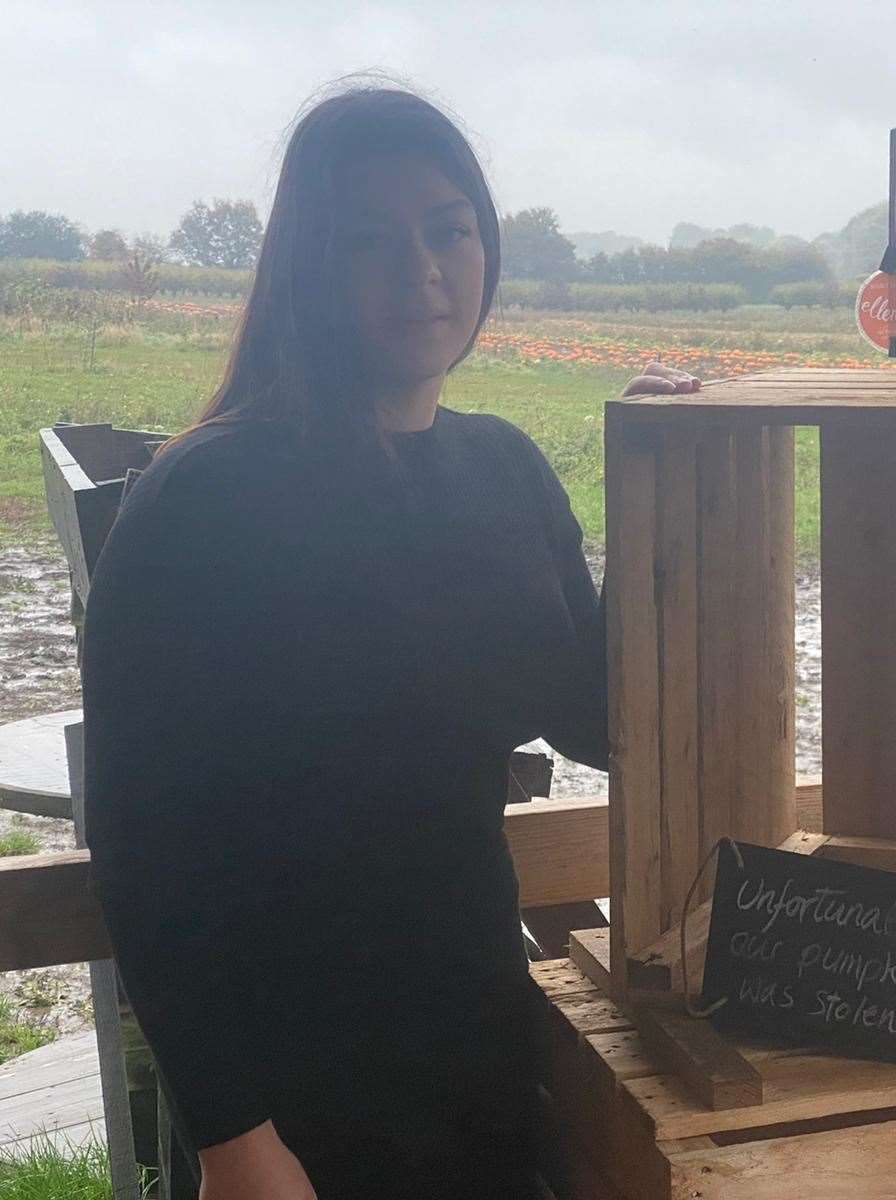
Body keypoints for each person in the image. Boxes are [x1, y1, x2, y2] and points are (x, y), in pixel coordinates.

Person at [80, 83, 697, 1199]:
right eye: (369, 240)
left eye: (447, 228)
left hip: (475, 1047)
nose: (420, 268)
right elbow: (145, 847)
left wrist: (662, 485)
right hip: (293, 1095)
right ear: (308, 268)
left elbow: (599, 719)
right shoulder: (203, 498)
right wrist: (235, 1141)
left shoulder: (502, 467)